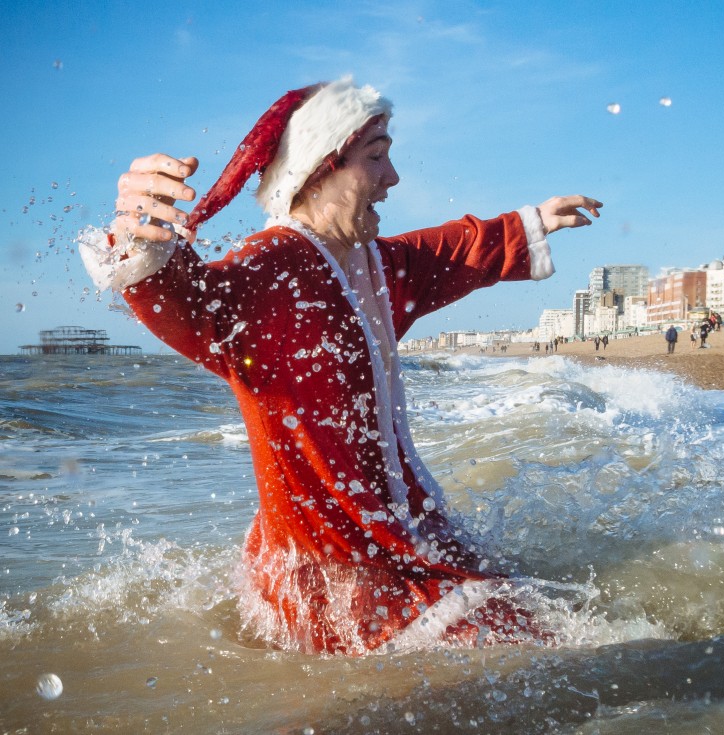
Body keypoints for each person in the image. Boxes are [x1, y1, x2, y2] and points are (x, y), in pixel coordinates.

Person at [78, 78, 601, 656]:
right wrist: (138, 239)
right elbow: (193, 302)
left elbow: (447, 251)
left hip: (402, 527)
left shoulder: (374, 263)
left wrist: (530, 222)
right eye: (376, 157)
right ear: (317, 172)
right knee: (562, 648)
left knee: (558, 606)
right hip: (336, 568)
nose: (393, 177)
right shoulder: (271, 269)